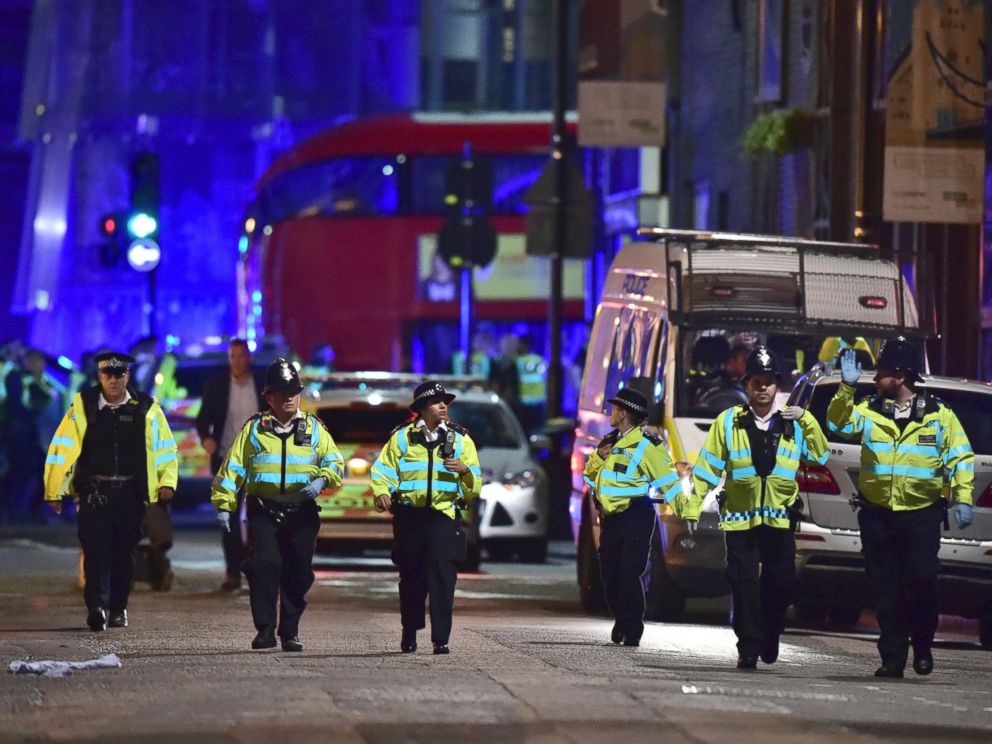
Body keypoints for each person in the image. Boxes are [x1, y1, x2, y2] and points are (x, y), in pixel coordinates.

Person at [828, 339, 974, 678]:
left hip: (920, 515)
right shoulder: (870, 410)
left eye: (882, 372)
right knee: (885, 589)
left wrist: (963, 498)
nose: (876, 378)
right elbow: (838, 424)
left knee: (922, 581)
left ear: (901, 375)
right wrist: (846, 388)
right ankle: (892, 657)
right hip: (878, 514)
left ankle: (922, 643)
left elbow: (961, 457)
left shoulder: (939, 415)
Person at [685, 346, 829, 669]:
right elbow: (707, 468)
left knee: (781, 584)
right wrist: (694, 506)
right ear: (746, 385)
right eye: (756, 382)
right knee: (743, 583)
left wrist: (807, 419)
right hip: (740, 521)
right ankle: (748, 647)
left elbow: (819, 455)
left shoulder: (793, 424)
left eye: (768, 382)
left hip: (779, 523)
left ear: (777, 386)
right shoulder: (729, 422)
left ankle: (771, 632)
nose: (762, 388)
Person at [211, 358, 343, 652]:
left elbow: (334, 461)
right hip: (264, 510)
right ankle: (266, 629)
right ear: (269, 396)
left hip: (302, 512)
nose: (289, 398)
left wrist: (323, 480)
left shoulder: (314, 428)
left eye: (293, 391)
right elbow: (234, 467)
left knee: (298, 571)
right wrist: (224, 504)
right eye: (282, 392)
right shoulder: (255, 429)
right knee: (264, 566)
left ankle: (290, 631)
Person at [43, 351, 178, 631]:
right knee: (95, 551)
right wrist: (54, 490)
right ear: (100, 377)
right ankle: (96, 607)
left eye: (119, 375)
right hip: (96, 492)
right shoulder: (84, 406)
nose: (114, 381)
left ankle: (118, 608)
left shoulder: (146, 407)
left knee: (123, 553)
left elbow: (165, 448)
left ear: (127, 377)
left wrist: (167, 481)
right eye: (108, 375)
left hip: (130, 494)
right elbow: (62, 449)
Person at [370, 381, 482, 655]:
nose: (444, 406)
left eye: (446, 401)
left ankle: (440, 638)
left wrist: (465, 471)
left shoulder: (461, 440)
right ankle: (410, 631)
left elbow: (475, 486)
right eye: (437, 402)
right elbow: (382, 470)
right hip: (409, 516)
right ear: (421, 408)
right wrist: (382, 491)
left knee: (444, 577)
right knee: (411, 577)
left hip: (444, 515)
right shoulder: (402, 438)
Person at [583, 386, 681, 647]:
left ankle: (632, 628)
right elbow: (589, 476)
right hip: (611, 518)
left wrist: (686, 510)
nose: (610, 413)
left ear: (624, 413)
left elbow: (669, 481)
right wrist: (597, 457)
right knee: (610, 575)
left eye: (615, 409)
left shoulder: (648, 445)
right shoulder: (609, 442)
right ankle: (621, 619)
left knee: (630, 572)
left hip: (637, 513)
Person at [196, 338, 265, 590]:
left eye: (241, 356)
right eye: (233, 356)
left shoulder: (262, 386)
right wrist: (207, 439)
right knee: (230, 519)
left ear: (250, 358)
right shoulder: (217, 385)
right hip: (227, 459)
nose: (237, 361)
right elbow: (202, 419)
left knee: (260, 518)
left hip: (260, 462)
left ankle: (257, 568)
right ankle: (232, 572)